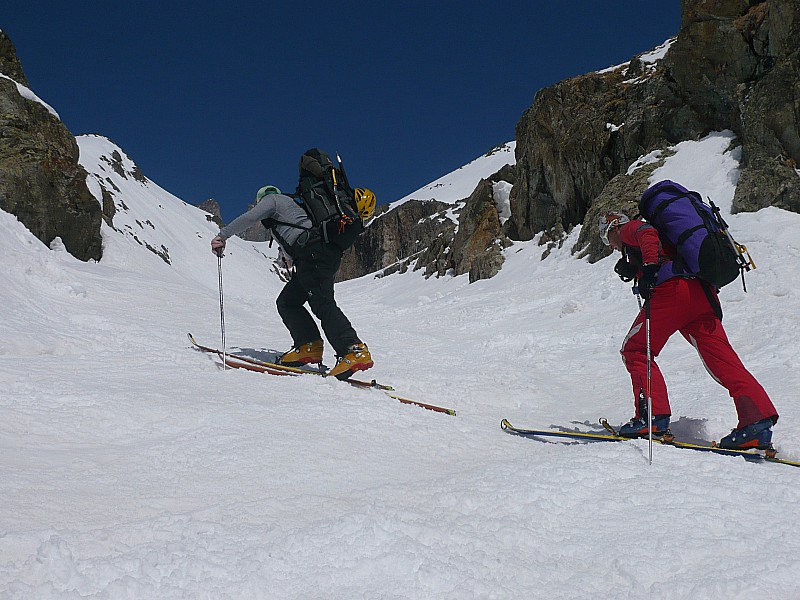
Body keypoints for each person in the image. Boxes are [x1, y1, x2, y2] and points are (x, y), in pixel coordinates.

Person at [598, 210, 779, 449]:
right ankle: (755, 421)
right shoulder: (659, 241)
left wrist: (650, 268)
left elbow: (646, 233)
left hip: (673, 292)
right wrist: (638, 268)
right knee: (723, 360)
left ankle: (651, 417)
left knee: (636, 349)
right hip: (702, 295)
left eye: (606, 239)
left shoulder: (629, 228)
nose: (610, 246)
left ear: (613, 227)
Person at [211, 180, 377, 380]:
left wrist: (222, 236)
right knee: (288, 301)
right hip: (315, 257)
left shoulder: (272, 200)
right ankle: (309, 345)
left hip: (314, 255)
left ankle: (353, 349)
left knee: (323, 304)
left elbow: (250, 217)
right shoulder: (291, 209)